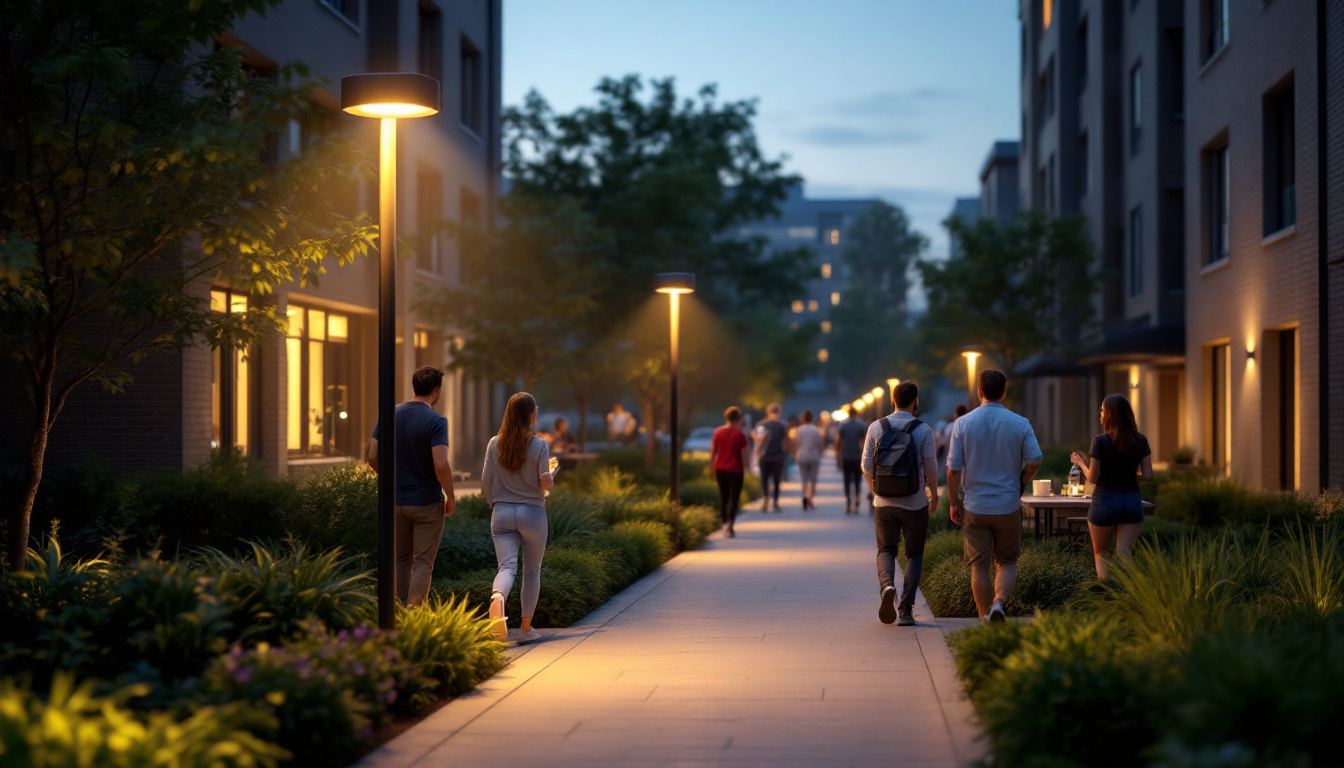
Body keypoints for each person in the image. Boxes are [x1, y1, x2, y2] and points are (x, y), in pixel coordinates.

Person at [948, 369, 1042, 623]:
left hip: (975, 505)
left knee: (979, 565)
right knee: (1007, 560)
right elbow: (1035, 459)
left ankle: (984, 618)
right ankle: (999, 604)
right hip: (1007, 504)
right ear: (1004, 392)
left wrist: (953, 503)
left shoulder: (963, 423)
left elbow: (953, 469)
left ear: (980, 391)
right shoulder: (1020, 423)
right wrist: (1022, 479)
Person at [367, 366, 455, 608]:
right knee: (423, 563)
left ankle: (396, 614)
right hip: (426, 502)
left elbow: (372, 456)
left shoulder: (389, 414)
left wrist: (391, 480)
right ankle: (414, 615)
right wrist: (451, 495)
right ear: (436, 391)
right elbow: (440, 463)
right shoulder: (436, 421)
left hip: (395, 502)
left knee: (400, 558)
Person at [861, 381, 939, 626]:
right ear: (916, 401)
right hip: (915, 502)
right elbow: (931, 467)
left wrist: (875, 489)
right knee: (914, 554)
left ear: (893, 400)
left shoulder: (876, 426)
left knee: (886, 550)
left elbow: (865, 466)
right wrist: (934, 493)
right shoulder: (923, 429)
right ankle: (906, 608)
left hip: (884, 503)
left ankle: (887, 587)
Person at [482, 392, 557, 645]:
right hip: (532, 513)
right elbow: (544, 482)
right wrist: (551, 475)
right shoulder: (539, 444)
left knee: (507, 567)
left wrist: (495, 506)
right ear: (529, 414)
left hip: (501, 513)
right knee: (532, 571)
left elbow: (486, 481)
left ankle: (498, 597)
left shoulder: (494, 443)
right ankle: (526, 629)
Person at [1070, 394, 1153, 579]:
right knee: (1124, 554)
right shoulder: (1141, 440)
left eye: (1102, 410)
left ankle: (1106, 594)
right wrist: (1129, 477)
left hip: (1105, 503)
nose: (1100, 414)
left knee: (1101, 553)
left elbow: (1093, 477)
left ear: (1109, 415)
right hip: (1131, 502)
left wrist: (1080, 462)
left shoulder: (1100, 441)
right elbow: (1148, 475)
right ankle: (1126, 595)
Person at [710, 406, 751, 537]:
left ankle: (723, 523)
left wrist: (712, 468)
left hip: (720, 469)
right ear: (738, 419)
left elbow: (713, 452)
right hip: (736, 470)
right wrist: (747, 467)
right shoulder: (741, 435)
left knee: (724, 497)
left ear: (726, 418)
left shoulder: (718, 432)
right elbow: (745, 456)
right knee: (734, 498)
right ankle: (730, 525)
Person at [754, 403, 788, 512]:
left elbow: (758, 441)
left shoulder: (761, 424)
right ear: (779, 412)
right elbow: (786, 441)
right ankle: (775, 503)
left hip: (764, 457)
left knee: (764, 479)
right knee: (777, 480)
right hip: (778, 456)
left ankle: (765, 498)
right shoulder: (782, 425)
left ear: (768, 412)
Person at [835, 408, 868, 514]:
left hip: (846, 456)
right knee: (858, 480)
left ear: (848, 414)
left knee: (847, 479)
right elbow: (864, 442)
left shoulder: (843, 425)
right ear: (856, 413)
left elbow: (839, 441)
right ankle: (857, 498)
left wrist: (838, 455)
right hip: (857, 456)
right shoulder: (861, 425)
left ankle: (848, 501)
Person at [794, 410, 823, 510]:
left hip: (802, 455)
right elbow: (818, 443)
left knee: (804, 479)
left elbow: (797, 442)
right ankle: (810, 497)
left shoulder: (799, 429)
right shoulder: (815, 429)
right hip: (813, 456)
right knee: (813, 479)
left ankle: (804, 497)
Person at [938, 404, 968, 484]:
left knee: (950, 479)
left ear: (956, 414)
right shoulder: (968, 425)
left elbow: (942, 442)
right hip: (966, 461)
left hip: (950, 457)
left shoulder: (952, 426)